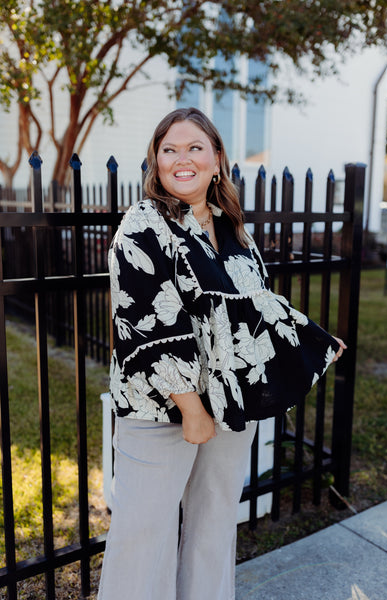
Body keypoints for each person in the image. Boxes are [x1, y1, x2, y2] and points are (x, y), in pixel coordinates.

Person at [98, 107, 346, 600]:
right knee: (143, 536)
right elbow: (148, 322)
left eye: (195, 148)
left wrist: (314, 341)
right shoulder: (145, 221)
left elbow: (257, 306)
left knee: (214, 528)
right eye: (170, 149)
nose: (181, 159)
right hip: (160, 407)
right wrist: (190, 408)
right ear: (156, 162)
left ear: (216, 161)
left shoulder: (233, 228)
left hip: (231, 404)